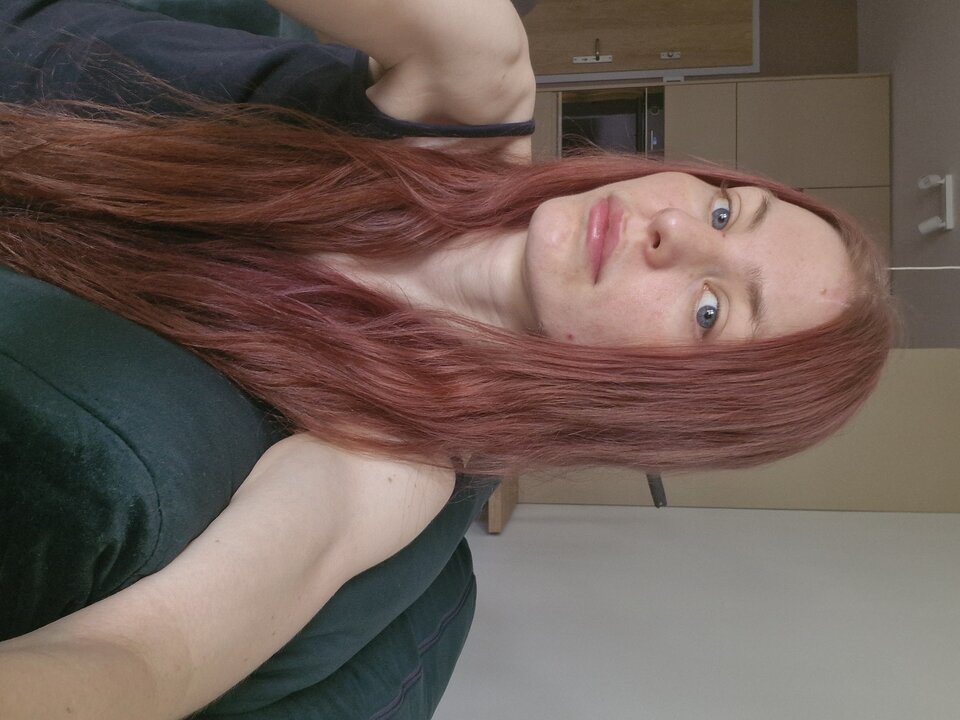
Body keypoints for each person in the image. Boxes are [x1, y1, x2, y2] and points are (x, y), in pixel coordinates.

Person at [0, 0, 895, 717]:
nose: (672, 228)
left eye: (709, 310)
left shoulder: (400, 463)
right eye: (725, 210)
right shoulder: (477, 84)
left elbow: (148, 657)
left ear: (664, 405)